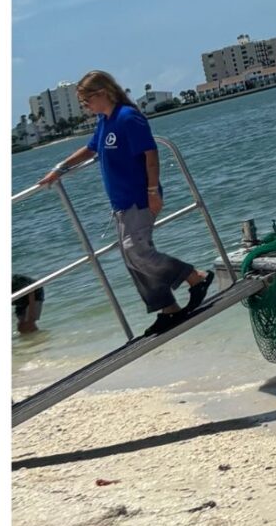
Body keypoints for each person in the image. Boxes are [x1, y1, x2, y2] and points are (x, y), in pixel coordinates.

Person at [40, 71, 210, 338]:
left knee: (138, 252)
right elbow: (91, 148)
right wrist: (59, 168)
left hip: (139, 197)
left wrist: (153, 191)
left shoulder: (127, 117)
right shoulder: (104, 120)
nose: (86, 107)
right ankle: (168, 309)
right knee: (132, 258)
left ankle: (195, 277)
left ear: (101, 93)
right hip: (120, 203)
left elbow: (150, 154)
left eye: (86, 101)